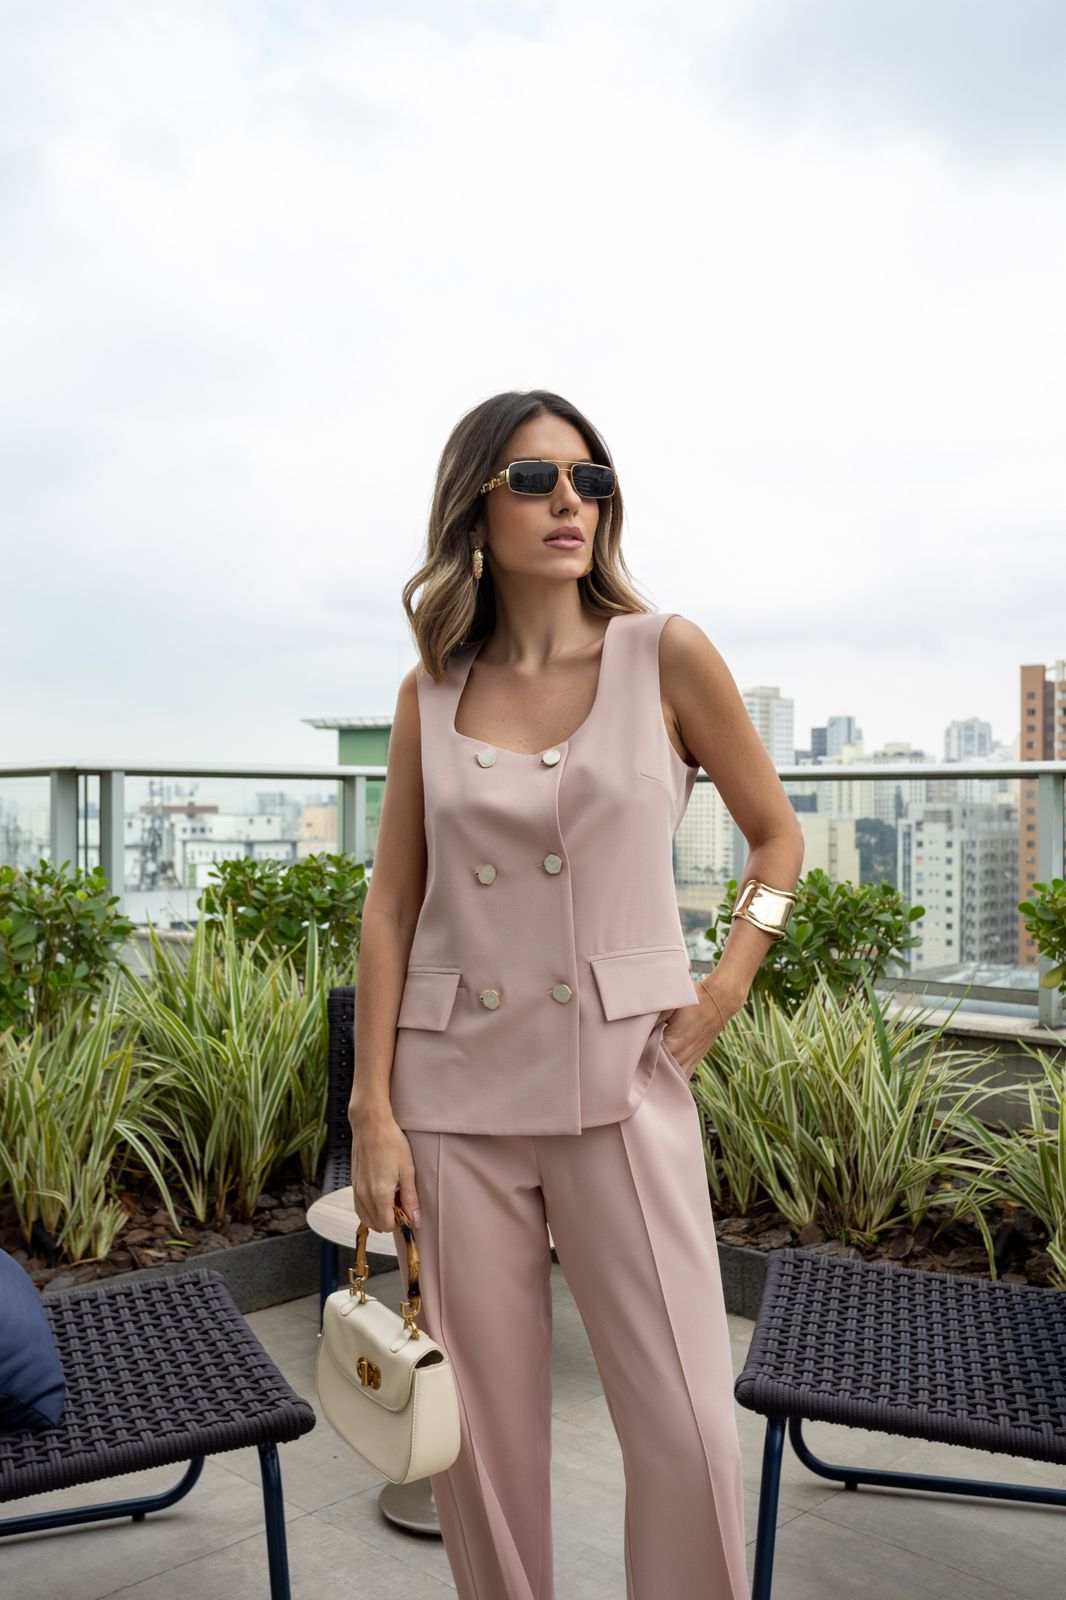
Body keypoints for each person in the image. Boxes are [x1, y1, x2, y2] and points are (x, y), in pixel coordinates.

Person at [349, 388, 804, 1600]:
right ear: (473, 510)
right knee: (480, 1449)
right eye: (537, 480)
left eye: (589, 480)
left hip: (622, 1085)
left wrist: (721, 988)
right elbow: (390, 905)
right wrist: (371, 1113)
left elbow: (776, 841)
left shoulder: (666, 652)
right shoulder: (428, 692)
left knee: (690, 1430)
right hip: (451, 1100)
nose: (570, 503)